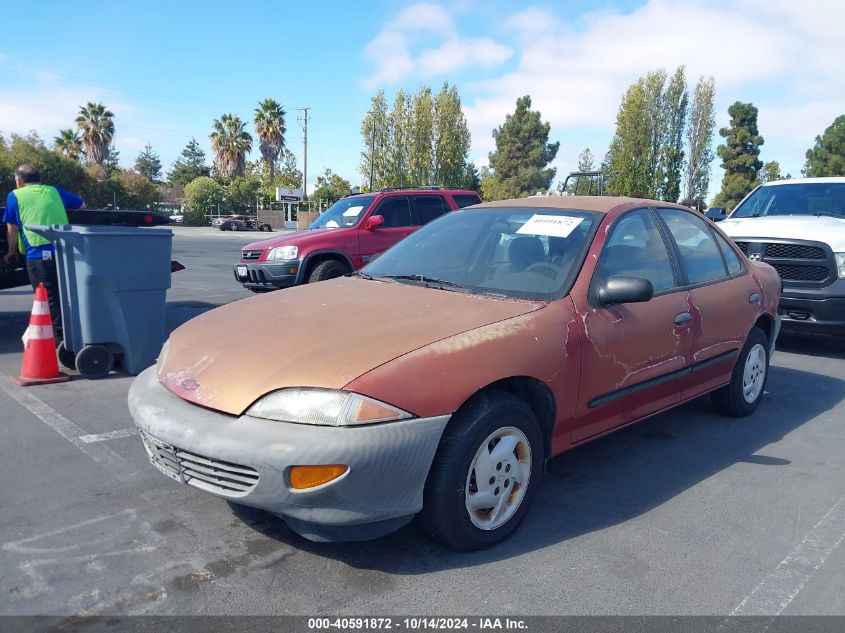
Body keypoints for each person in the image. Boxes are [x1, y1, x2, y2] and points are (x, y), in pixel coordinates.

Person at [3, 164, 86, 343]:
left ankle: (59, 339)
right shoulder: (54, 192)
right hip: (65, 253)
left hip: (37, 255)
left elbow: (12, 226)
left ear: (18, 181)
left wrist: (11, 252)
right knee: (68, 294)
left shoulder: (15, 195)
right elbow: (82, 205)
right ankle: (79, 331)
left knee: (48, 298)